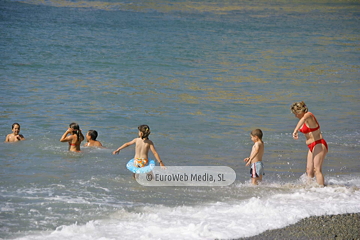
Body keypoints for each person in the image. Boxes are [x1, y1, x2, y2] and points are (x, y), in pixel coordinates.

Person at [291, 101, 328, 186]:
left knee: (317, 169)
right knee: (309, 170)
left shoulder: (309, 115)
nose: (295, 116)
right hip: (311, 146)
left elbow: (303, 118)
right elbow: (302, 121)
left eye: (296, 113)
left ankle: (323, 189)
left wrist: (295, 131)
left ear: (300, 111)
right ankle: (310, 190)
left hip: (319, 143)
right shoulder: (303, 120)